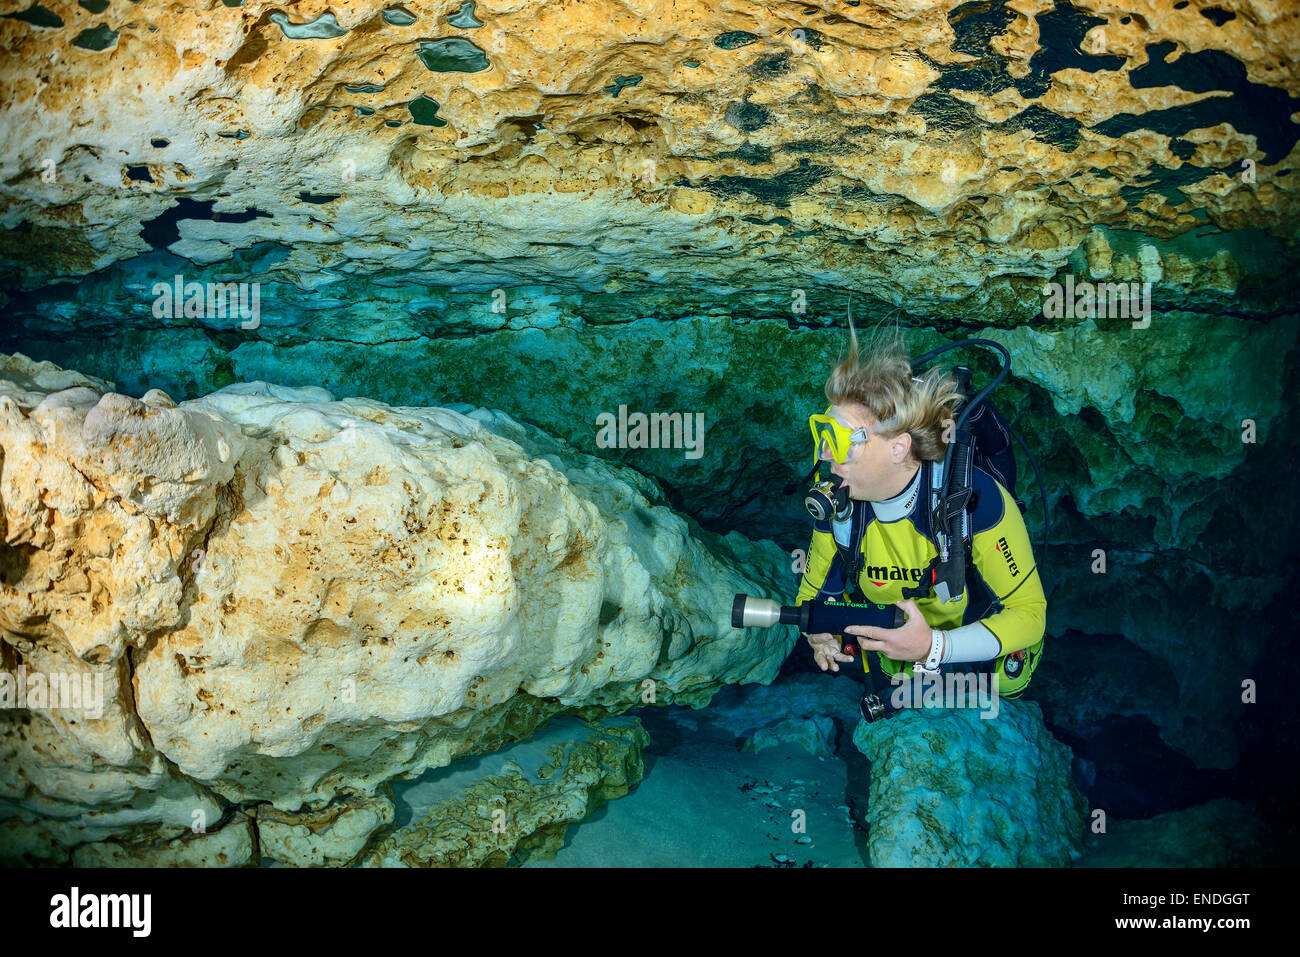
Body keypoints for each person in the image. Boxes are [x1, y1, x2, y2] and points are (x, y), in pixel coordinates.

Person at [794, 322, 1046, 698]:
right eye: (823, 435)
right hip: (893, 620)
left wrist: (935, 648)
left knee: (1008, 683)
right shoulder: (838, 506)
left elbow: (1030, 613)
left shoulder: (976, 497)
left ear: (898, 447)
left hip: (963, 617)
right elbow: (809, 598)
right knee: (890, 677)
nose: (826, 456)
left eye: (842, 440)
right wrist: (817, 633)